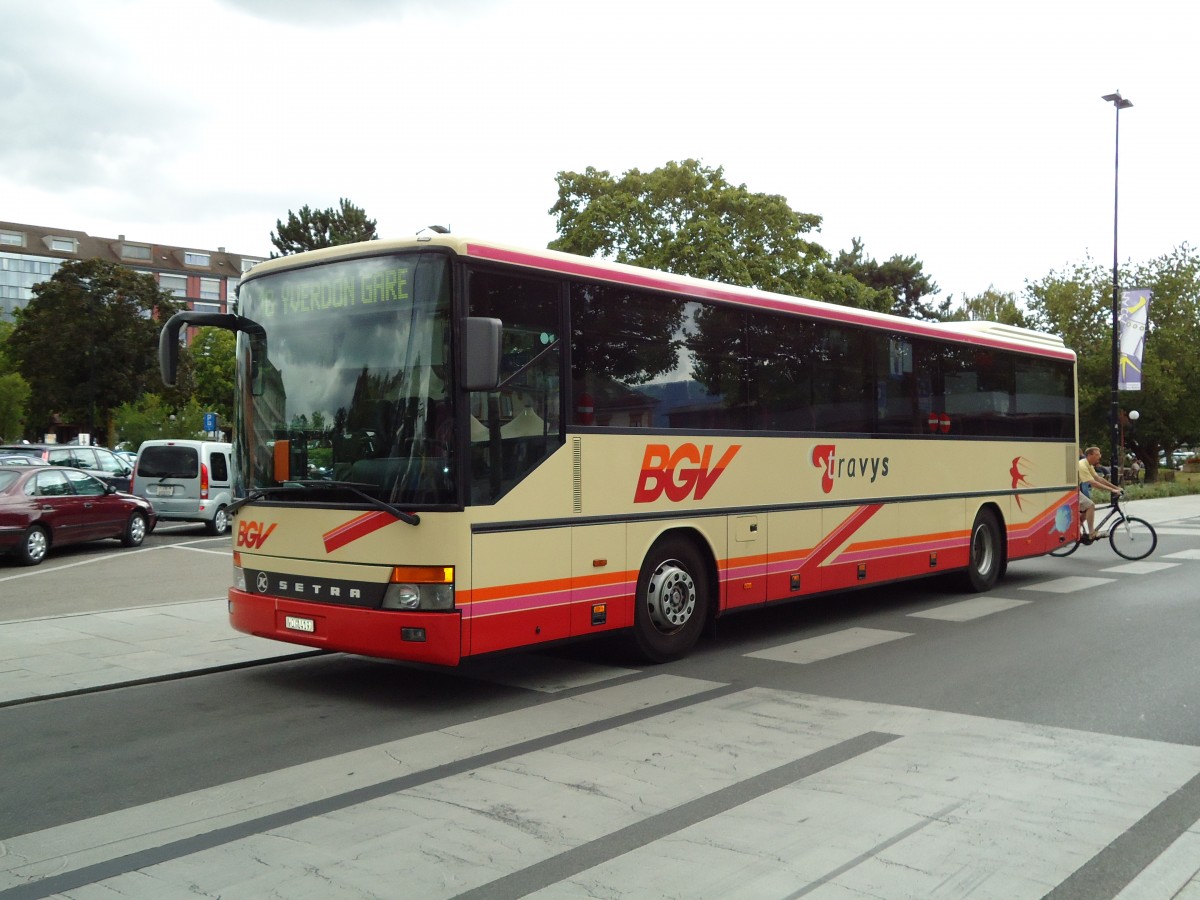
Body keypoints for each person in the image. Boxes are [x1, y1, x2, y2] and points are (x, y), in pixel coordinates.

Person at [1077, 446, 1122, 542]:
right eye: (1097, 454)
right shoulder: (1082, 465)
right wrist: (1112, 490)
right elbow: (1093, 483)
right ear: (1089, 455)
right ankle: (1091, 533)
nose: (1100, 456)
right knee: (1090, 505)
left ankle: (1077, 524)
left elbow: (1099, 479)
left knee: (1087, 508)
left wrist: (1116, 488)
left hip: (1075, 489)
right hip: (1070, 491)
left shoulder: (1089, 465)